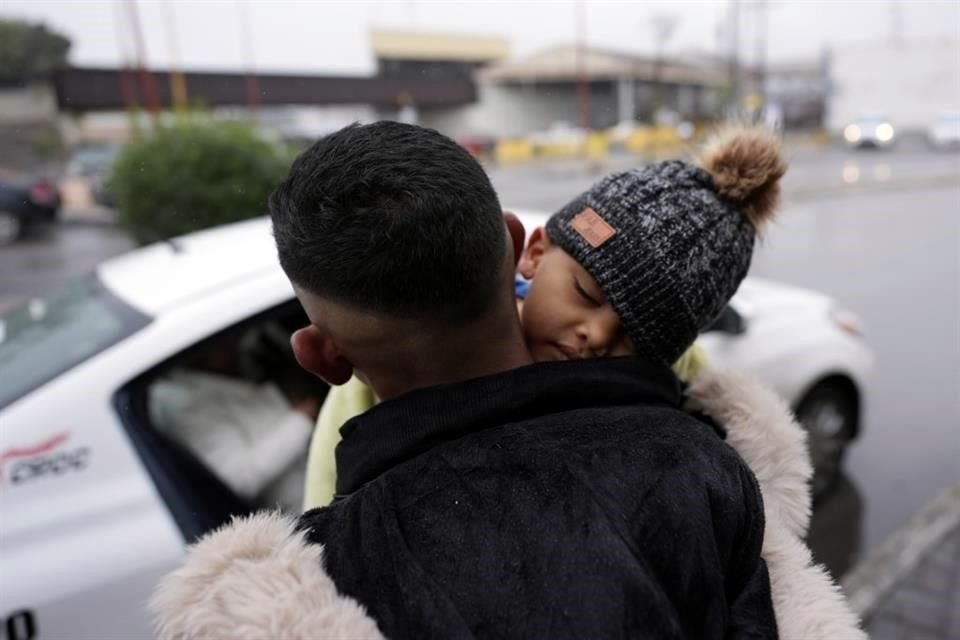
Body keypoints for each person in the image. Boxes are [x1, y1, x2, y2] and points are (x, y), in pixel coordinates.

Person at [154, 121, 784, 639]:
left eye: (639, 335)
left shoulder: (322, 578)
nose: (594, 336)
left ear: (321, 357)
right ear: (524, 248)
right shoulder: (707, 472)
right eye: (588, 294)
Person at [149, 325, 321, 510]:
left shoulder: (247, 364)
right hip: (304, 504)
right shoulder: (194, 410)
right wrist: (301, 419)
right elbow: (241, 479)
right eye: (224, 342)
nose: (235, 343)